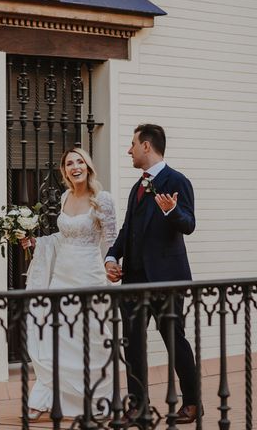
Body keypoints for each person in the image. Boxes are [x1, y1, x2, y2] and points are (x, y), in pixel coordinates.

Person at [105, 123, 201, 425]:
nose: (128, 150)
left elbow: (188, 224)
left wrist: (172, 211)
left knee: (174, 340)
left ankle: (192, 403)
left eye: (132, 144)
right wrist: (111, 256)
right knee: (132, 343)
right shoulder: (138, 186)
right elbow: (127, 229)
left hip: (167, 278)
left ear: (147, 146)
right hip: (133, 279)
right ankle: (138, 406)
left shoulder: (178, 180)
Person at [19, 147, 116, 421]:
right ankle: (45, 397)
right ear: (65, 171)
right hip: (62, 276)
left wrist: (112, 264)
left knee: (90, 337)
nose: (75, 167)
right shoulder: (64, 197)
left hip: (89, 276)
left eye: (79, 161)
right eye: (69, 163)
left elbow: (112, 240)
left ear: (88, 166)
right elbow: (61, 238)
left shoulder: (103, 199)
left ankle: (94, 398)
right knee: (56, 336)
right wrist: (37, 242)